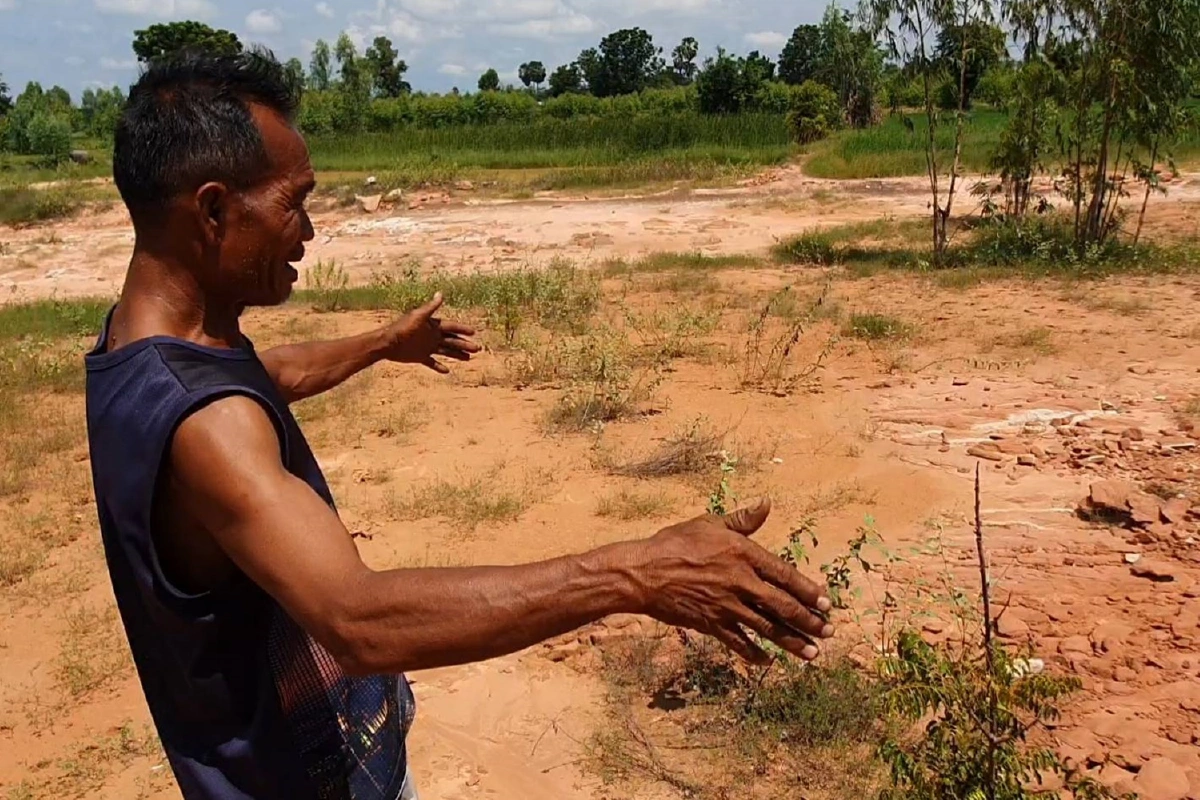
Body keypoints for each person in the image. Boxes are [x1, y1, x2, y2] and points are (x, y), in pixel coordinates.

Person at [83, 48, 835, 800]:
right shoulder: (210, 429)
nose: (308, 231)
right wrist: (636, 572)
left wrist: (382, 344)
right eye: (294, 202)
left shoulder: (142, 347)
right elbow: (357, 622)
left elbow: (263, 373)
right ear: (213, 211)